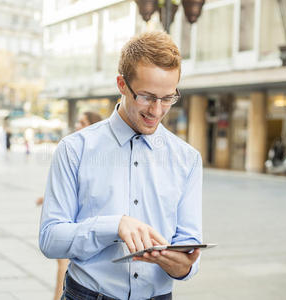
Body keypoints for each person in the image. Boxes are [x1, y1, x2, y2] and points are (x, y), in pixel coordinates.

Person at [39, 31, 203, 300]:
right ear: (122, 84)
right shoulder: (74, 150)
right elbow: (49, 239)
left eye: (167, 98)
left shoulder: (188, 159)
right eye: (147, 96)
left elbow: (190, 249)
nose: (157, 110)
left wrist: (184, 267)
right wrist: (113, 226)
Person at [37, 111, 102, 300]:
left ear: (93, 125)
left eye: (82, 122)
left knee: (64, 264)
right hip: (70, 221)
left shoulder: (96, 153)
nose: (77, 125)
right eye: (78, 121)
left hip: (83, 223)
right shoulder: (74, 147)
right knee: (62, 263)